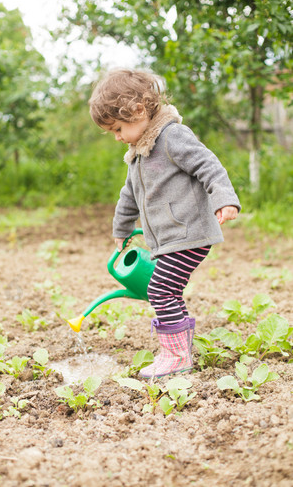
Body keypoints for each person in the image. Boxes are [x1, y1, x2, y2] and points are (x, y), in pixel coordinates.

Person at [89, 68, 241, 378]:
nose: (117, 137)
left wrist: (224, 198)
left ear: (138, 110)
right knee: (165, 289)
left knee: (160, 290)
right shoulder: (138, 154)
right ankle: (180, 350)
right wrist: (121, 230)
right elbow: (128, 196)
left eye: (118, 128)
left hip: (189, 233)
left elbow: (208, 164)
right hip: (169, 239)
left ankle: (175, 355)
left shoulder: (172, 137)